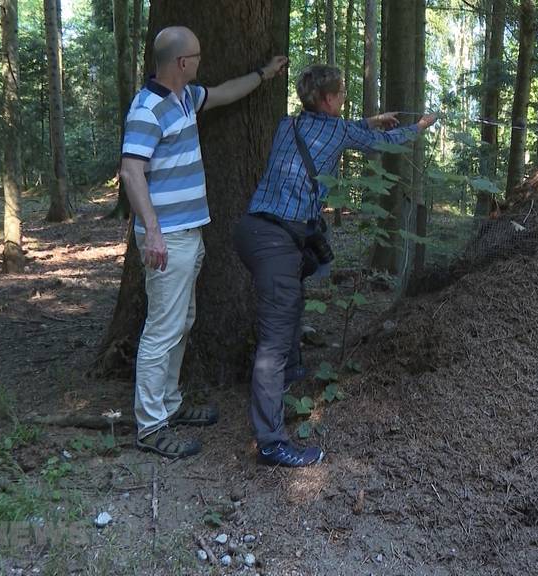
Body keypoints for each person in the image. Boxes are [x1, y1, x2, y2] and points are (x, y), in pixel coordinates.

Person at [234, 64, 437, 467]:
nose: (343, 100)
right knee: (273, 342)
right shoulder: (340, 129)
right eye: (341, 95)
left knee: (290, 306)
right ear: (328, 100)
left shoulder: (285, 125)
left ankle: (290, 381)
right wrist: (420, 127)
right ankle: (271, 442)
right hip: (277, 241)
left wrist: (367, 121)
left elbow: (328, 132)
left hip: (254, 232)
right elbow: (387, 142)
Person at [119, 26, 289, 459]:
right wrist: (154, 231)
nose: (200, 62)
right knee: (162, 329)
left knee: (182, 322)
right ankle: (151, 425)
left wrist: (264, 75)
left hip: (188, 233)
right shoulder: (147, 108)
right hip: (167, 238)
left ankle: (170, 406)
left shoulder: (184, 98)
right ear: (181, 62)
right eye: (196, 56)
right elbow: (131, 171)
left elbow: (225, 92)